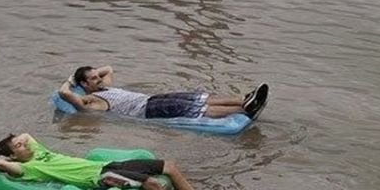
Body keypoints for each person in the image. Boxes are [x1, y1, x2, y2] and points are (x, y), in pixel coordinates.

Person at [0, 133, 195, 190]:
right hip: (101, 177)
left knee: (170, 166)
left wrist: (17, 143)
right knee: (152, 184)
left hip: (107, 164)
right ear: (13, 155)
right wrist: (7, 160)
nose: (24, 144)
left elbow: (26, 134)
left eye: (21, 143)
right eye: (18, 146)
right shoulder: (29, 168)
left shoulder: (38, 150)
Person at [57, 65, 269, 121]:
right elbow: (64, 93)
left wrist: (92, 77)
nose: (99, 78)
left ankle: (244, 99)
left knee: (196, 96)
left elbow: (109, 68)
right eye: (93, 78)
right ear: (84, 84)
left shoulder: (104, 86)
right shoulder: (91, 100)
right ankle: (244, 111)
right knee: (194, 109)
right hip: (147, 110)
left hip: (151, 99)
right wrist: (71, 81)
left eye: (97, 76)